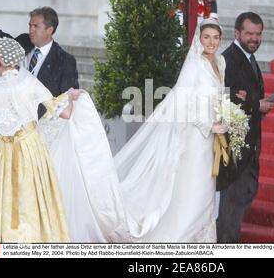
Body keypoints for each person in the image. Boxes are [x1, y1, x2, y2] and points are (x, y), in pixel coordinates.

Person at [40, 18, 228, 242]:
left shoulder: (221, 63)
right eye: (206, 37)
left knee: (206, 189)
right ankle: (181, 238)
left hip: (212, 140)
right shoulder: (195, 65)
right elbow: (183, 103)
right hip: (196, 137)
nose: (211, 42)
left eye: (215, 38)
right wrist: (209, 124)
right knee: (192, 189)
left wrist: (226, 116)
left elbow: (219, 95)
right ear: (199, 39)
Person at [0, 37, 82, 243]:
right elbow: (63, 113)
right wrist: (70, 96)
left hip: (2, 149)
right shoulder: (30, 82)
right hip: (31, 147)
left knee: (0, 197)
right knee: (33, 196)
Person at [0, 0, 79, 118]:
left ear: (50, 30)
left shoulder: (65, 61)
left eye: (36, 26)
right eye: (30, 25)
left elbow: (67, 103)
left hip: (41, 127)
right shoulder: (23, 41)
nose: (31, 30)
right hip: (12, 118)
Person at [216, 12, 274, 243]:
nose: (254, 38)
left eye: (258, 34)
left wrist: (257, 104)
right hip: (233, 152)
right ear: (237, 33)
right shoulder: (228, 59)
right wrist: (255, 105)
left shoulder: (247, 57)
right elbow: (224, 99)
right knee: (230, 213)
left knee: (238, 205)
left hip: (248, 148)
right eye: (249, 33)